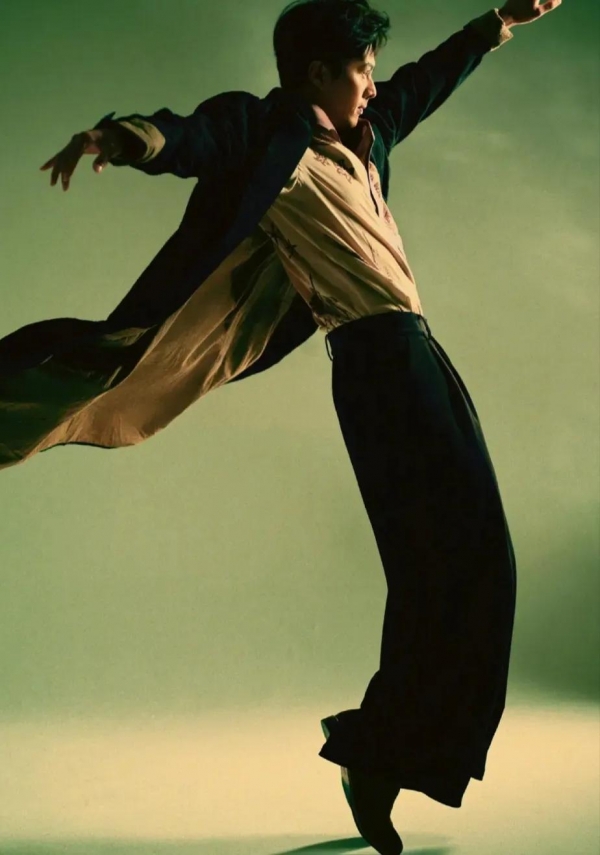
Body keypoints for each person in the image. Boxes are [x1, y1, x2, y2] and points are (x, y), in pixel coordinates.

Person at [0, 1, 562, 852]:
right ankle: (376, 751)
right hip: (376, 365)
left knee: (469, 563)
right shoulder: (274, 133)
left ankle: (379, 749)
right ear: (315, 74)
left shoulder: (368, 136)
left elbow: (426, 81)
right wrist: (120, 138)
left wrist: (497, 21)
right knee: (449, 561)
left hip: (419, 353)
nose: (373, 83)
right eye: (360, 69)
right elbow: (195, 136)